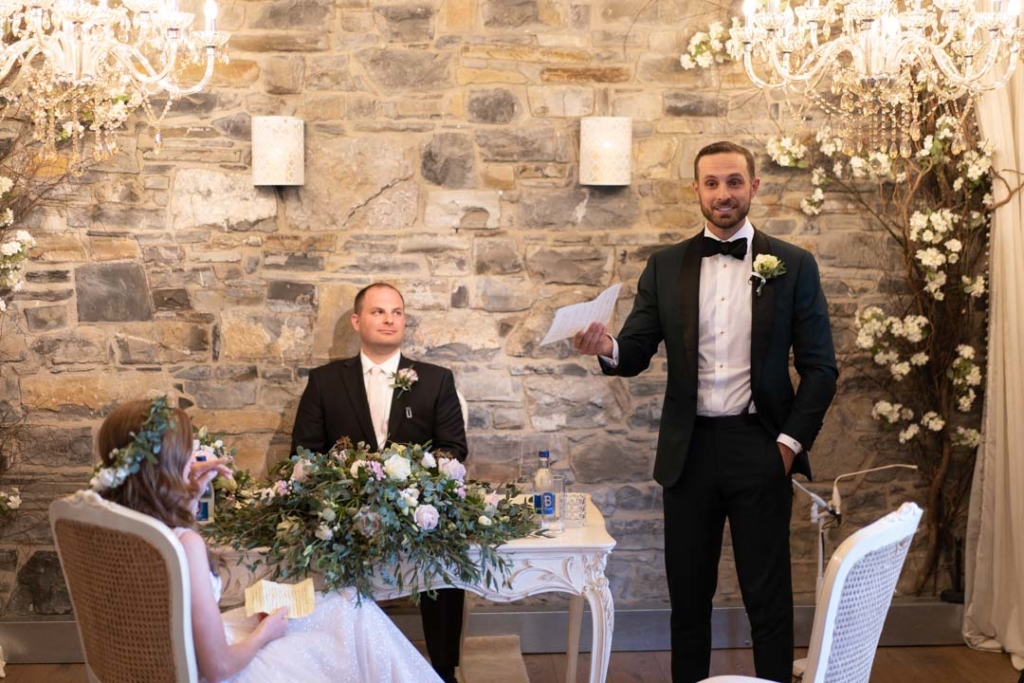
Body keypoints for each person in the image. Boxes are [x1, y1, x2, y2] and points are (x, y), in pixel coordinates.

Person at [573, 141, 838, 683]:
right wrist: (607, 349)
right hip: (688, 454)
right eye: (712, 183)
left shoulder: (793, 264)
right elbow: (637, 350)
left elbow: (820, 368)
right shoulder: (665, 265)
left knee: (769, 601)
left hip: (760, 448)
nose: (723, 194)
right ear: (695, 189)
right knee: (688, 601)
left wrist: (787, 447)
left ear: (754, 187)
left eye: (734, 182)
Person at [93, 396, 443, 683]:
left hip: (164, 657)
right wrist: (265, 634)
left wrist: (186, 498)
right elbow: (218, 669)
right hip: (215, 669)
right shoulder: (184, 544)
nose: (192, 455)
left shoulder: (115, 524)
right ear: (169, 461)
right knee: (354, 618)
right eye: (187, 448)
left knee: (344, 605)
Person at [291, 282, 468, 683]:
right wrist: (341, 490)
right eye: (378, 312)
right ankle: (337, 665)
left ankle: (443, 670)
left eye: (397, 312)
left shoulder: (436, 380)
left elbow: (453, 450)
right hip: (344, 513)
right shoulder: (325, 382)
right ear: (357, 320)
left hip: (416, 512)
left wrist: (415, 485)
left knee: (445, 544)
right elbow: (303, 453)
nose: (389, 319)